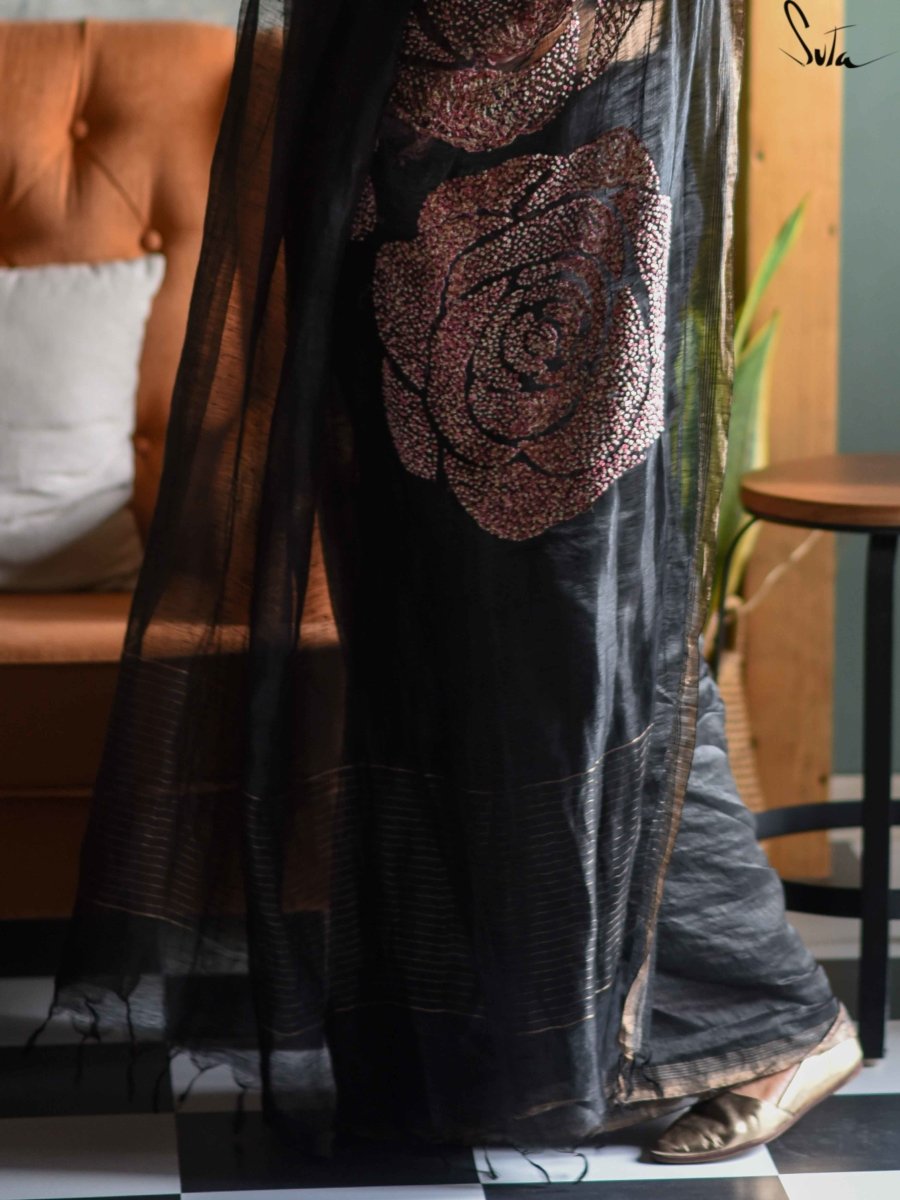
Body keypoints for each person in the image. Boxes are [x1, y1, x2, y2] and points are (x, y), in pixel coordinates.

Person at [42, 0, 862, 1165]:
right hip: (394, 127)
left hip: (583, 121)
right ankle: (536, 1041)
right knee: (428, 630)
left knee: (589, 631)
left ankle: (779, 1021)